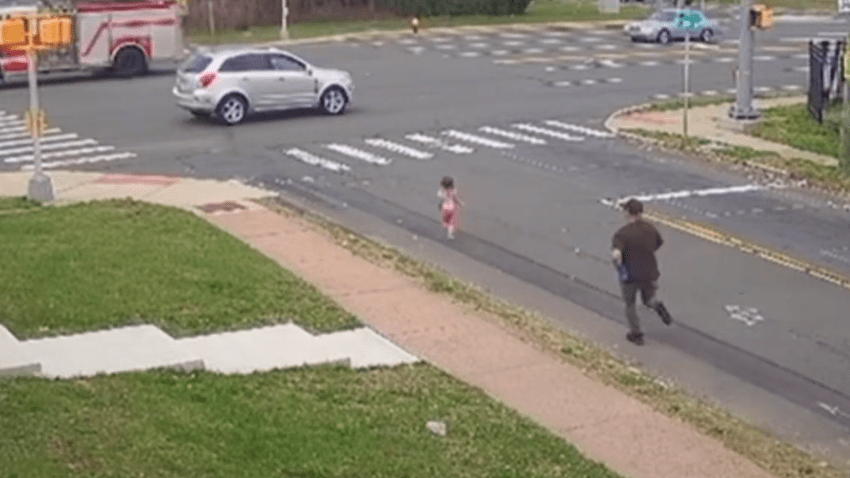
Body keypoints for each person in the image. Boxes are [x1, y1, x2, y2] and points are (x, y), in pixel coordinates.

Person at [611, 198, 673, 346]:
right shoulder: (650, 228)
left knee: (630, 304)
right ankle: (657, 305)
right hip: (650, 271)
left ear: (627, 213)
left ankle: (636, 334)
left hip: (630, 274)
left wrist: (619, 267)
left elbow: (616, 255)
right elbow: (658, 242)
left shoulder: (622, 234)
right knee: (648, 299)